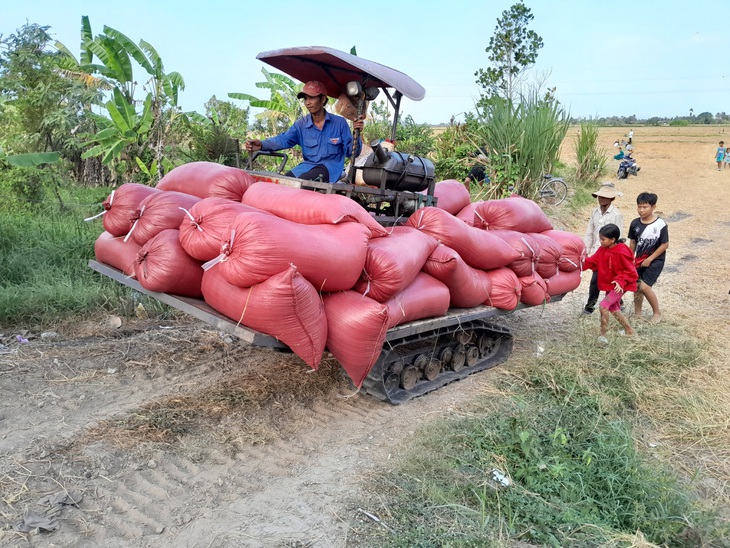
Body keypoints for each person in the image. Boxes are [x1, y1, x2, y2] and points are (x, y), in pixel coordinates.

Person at [245, 80, 363, 183]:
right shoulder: (301, 125)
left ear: (322, 99)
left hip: (330, 169)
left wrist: (356, 134)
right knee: (284, 183)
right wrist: (262, 144)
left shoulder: (339, 123)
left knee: (303, 182)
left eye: (311, 98)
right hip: (307, 167)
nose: (307, 102)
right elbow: (283, 139)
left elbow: (352, 153)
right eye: (305, 98)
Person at [582, 223, 637, 343]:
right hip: (610, 283)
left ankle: (603, 336)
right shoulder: (602, 249)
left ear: (613, 240)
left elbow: (631, 271)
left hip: (620, 285)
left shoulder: (622, 251)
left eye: (603, 239)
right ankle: (629, 330)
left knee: (603, 306)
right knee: (613, 308)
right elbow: (592, 261)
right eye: (600, 238)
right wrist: (579, 263)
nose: (600, 241)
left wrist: (620, 280)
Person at [583, 183, 624, 314]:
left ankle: (595, 305)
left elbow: (619, 236)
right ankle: (591, 305)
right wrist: (586, 250)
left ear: (612, 199)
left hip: (609, 254)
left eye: (605, 197)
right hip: (596, 251)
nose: (602, 199)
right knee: (596, 279)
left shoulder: (616, 214)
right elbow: (590, 232)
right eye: (600, 196)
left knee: (605, 279)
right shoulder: (594, 212)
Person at [629, 192, 669, 323]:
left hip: (655, 260)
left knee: (645, 287)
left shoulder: (660, 224)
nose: (641, 210)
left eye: (645, 207)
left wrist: (650, 259)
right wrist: (630, 258)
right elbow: (633, 242)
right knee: (636, 286)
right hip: (639, 260)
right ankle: (638, 313)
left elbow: (664, 244)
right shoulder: (635, 223)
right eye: (639, 207)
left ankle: (657, 313)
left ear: (653, 207)